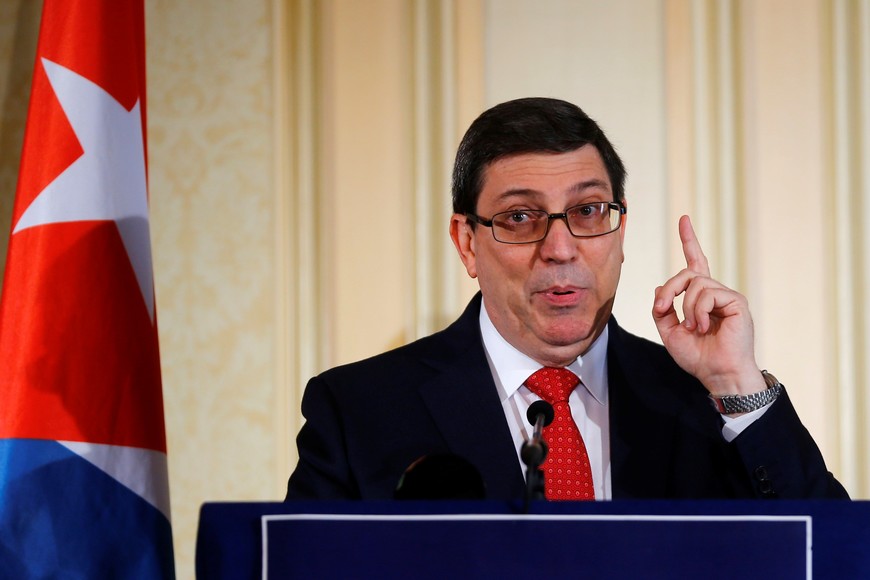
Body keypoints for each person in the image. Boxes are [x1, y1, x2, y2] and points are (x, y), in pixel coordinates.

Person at [285, 97, 847, 501]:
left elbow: (833, 557)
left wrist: (734, 385)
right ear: (467, 242)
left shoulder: (702, 400)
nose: (560, 248)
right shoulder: (358, 410)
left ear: (621, 231)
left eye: (587, 212)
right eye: (521, 217)